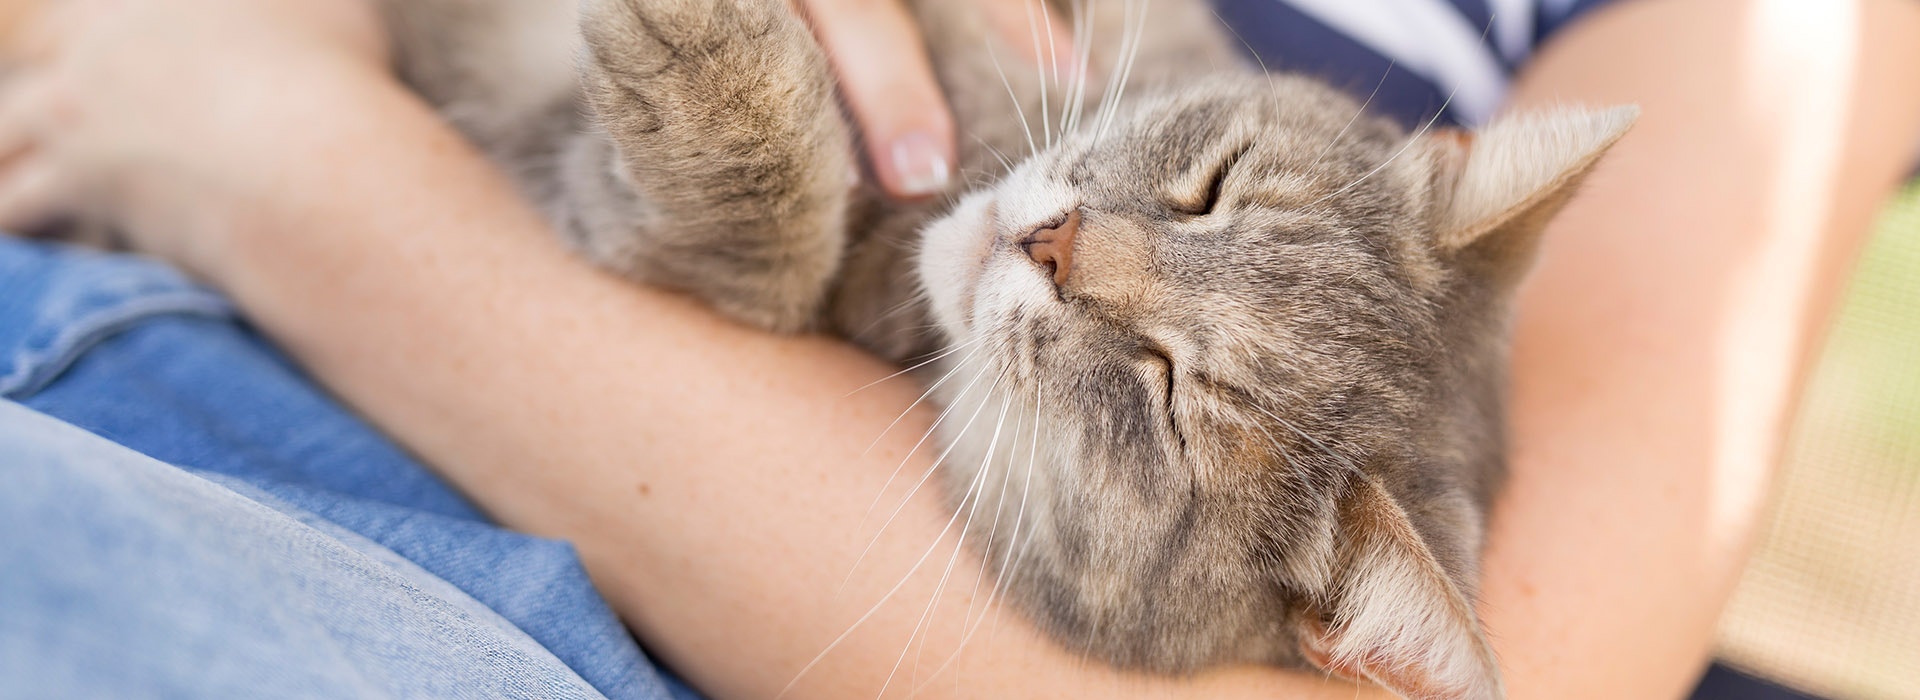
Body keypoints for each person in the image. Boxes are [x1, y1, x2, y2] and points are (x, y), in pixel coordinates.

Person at [1, 0, 1917, 698]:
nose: (1080, 253)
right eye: (1208, 186)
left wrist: (280, 158)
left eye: (1167, 390)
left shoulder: (1781, 43)